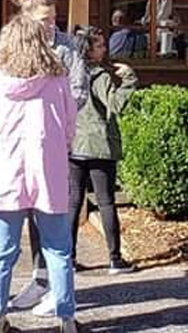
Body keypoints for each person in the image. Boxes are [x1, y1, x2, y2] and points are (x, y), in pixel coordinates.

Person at [0, 14, 79, 333]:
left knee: (3, 250)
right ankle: (66, 319)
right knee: (58, 249)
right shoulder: (57, 80)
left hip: (7, 173)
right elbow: (70, 125)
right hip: (49, 172)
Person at [8, 0, 89, 315]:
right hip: (24, 144)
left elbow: (79, 90)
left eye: (54, 18)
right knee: (31, 211)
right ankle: (40, 279)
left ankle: (59, 287)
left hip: (56, 142)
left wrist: (54, 116)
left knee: (56, 214)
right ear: (28, 19)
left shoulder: (68, 47)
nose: (52, 24)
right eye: (45, 19)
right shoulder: (17, 46)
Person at [68, 24, 139, 274]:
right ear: (89, 50)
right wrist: (129, 80)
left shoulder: (70, 75)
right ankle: (115, 259)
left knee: (73, 202)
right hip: (99, 146)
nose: (104, 48)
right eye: (99, 45)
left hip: (74, 144)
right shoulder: (100, 77)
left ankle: (68, 258)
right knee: (106, 202)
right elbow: (116, 105)